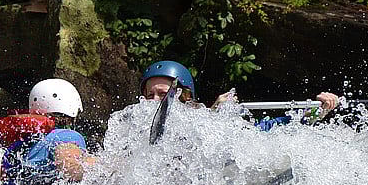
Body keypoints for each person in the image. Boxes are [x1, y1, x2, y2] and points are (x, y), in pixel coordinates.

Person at [139, 60, 340, 129]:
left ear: (185, 97)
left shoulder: (203, 126)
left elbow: (269, 132)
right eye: (150, 96)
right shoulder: (133, 132)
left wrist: (315, 113)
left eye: (162, 94)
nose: (155, 102)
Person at [0, 78, 97, 185]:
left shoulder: (14, 149)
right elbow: (69, 166)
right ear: (71, 112)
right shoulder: (66, 136)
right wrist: (111, 167)